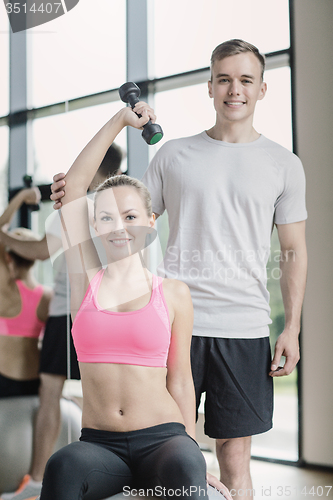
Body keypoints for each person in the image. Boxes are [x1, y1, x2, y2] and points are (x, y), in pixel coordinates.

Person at [51, 39, 308, 499]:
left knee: (233, 460)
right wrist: (79, 192)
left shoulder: (283, 165)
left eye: (246, 80)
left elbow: (294, 249)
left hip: (242, 325)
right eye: (224, 79)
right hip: (170, 324)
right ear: (209, 86)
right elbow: (124, 208)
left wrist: (292, 325)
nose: (235, 89)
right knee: (169, 458)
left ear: (262, 89)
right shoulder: (173, 155)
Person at [40, 104, 231, 500]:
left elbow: (180, 379)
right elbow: (75, 189)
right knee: (62, 465)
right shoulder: (85, 280)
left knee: (184, 465)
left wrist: (193, 453)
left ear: (149, 222)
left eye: (130, 216)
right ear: (94, 225)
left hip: (163, 441)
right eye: (106, 217)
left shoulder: (173, 293)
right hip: (100, 445)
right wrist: (121, 120)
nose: (118, 227)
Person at [0, 145, 124, 500]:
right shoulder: (117, 210)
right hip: (100, 311)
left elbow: (39, 251)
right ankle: (99, 477)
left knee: (51, 393)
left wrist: (4, 237)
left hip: (73, 313)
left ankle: (39, 480)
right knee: (99, 394)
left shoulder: (73, 209)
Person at [0, 188, 52, 398]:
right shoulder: (48, 296)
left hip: (4, 377)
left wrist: (21, 197)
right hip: (35, 379)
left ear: (9, 258)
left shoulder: (6, 289)